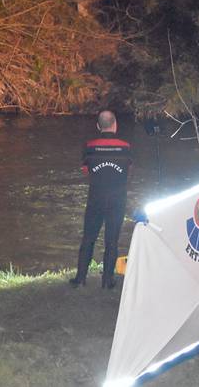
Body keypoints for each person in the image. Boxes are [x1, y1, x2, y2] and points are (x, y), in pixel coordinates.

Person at [70, 110, 132, 289]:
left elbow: (85, 171)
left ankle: (80, 279)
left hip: (96, 199)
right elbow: (129, 171)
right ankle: (107, 281)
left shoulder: (89, 146)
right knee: (111, 241)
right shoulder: (126, 147)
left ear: (98, 126)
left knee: (88, 238)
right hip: (117, 200)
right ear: (115, 125)